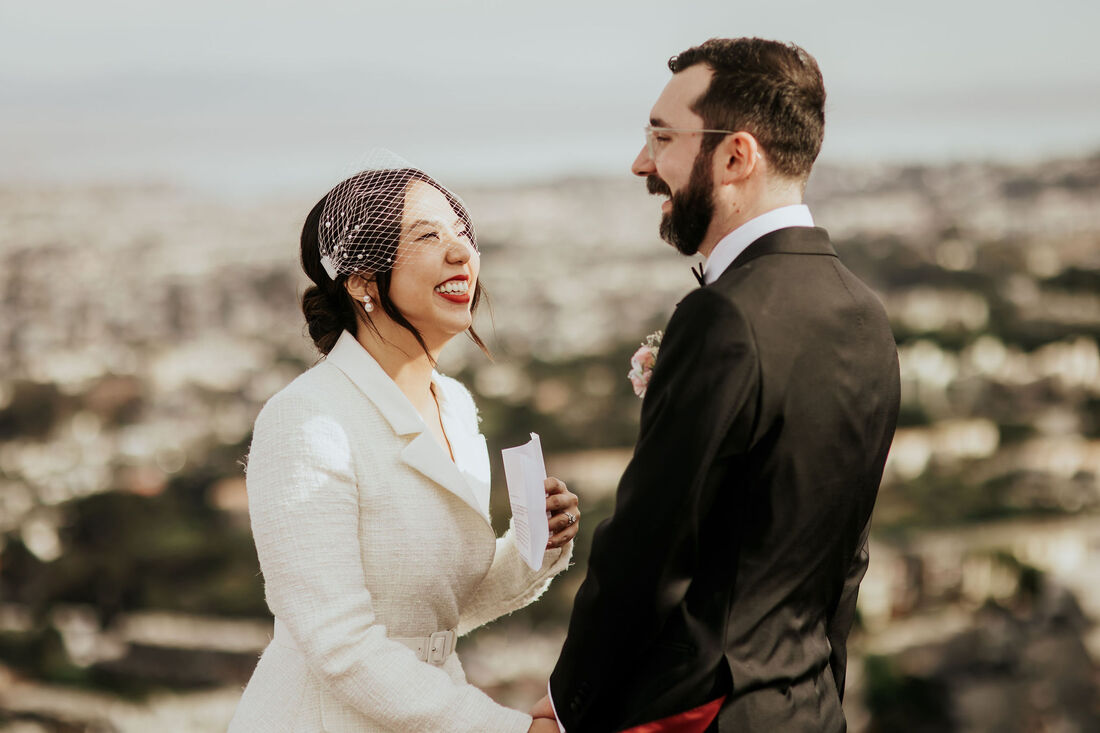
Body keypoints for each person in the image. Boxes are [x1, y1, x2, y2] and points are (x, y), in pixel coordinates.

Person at [533, 38, 900, 732]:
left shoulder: (723, 317)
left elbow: (650, 544)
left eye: (662, 137)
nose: (642, 163)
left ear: (736, 157)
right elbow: (845, 556)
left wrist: (565, 702)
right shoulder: (865, 313)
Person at [230, 155, 580, 733]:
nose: (461, 251)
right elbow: (339, 643)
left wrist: (533, 546)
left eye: (463, 233)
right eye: (428, 236)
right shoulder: (307, 419)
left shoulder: (457, 407)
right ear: (364, 282)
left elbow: (437, 609)